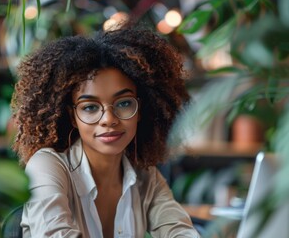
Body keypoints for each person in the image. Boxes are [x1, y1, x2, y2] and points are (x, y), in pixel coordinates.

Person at [11, 26, 200, 237]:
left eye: (124, 103)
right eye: (90, 107)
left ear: (141, 110)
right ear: (73, 116)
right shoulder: (47, 167)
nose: (109, 120)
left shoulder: (145, 177)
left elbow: (180, 231)